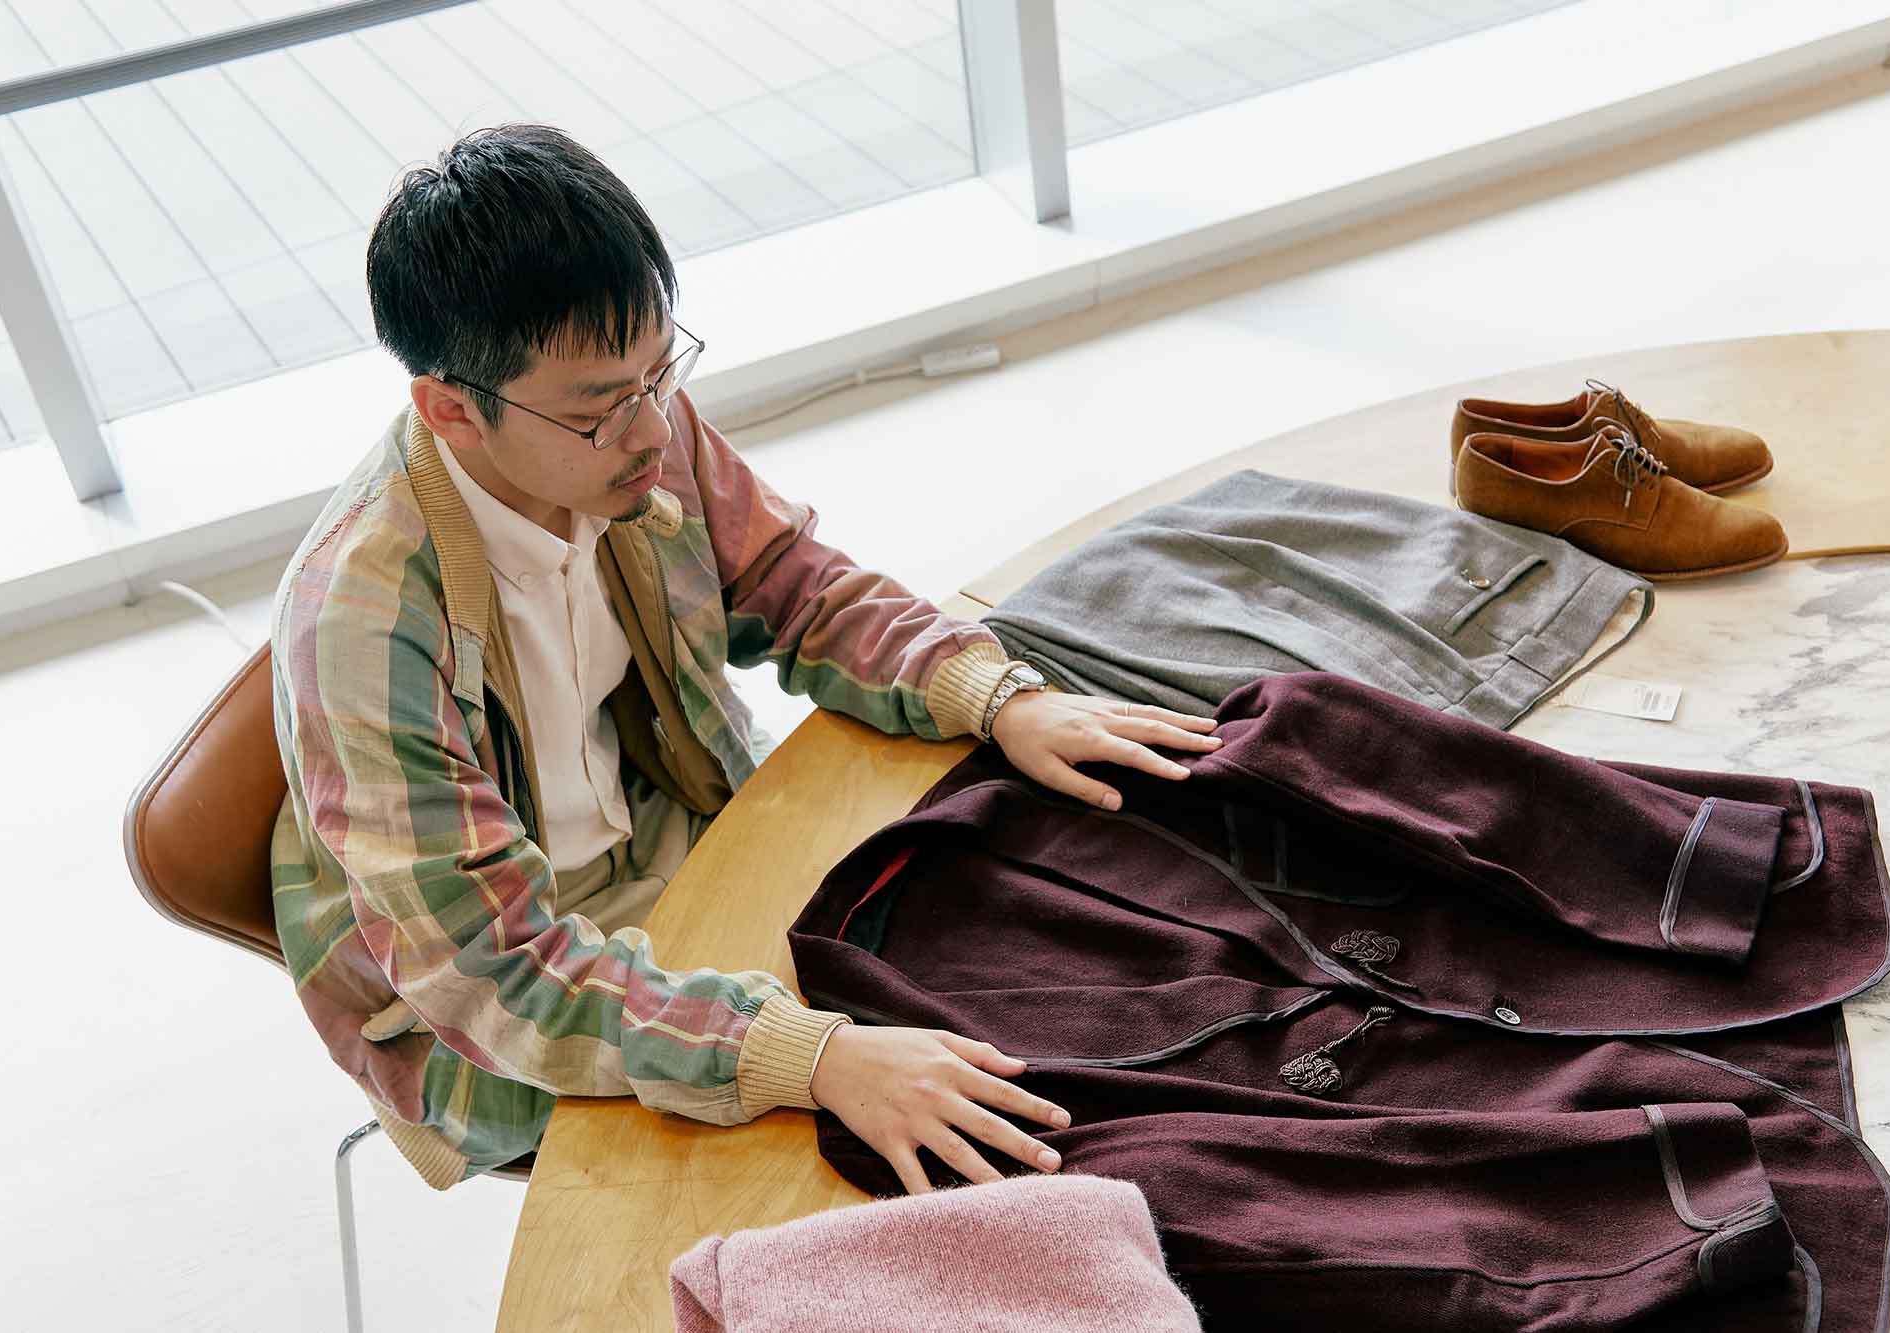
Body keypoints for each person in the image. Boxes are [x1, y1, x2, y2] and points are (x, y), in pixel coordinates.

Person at [269, 124, 1221, 1193]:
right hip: (483, 1014)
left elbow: (790, 582)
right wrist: (802, 1055)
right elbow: (490, 969)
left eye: (659, 371)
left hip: (677, 837)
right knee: (847, 1168)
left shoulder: (630, 432)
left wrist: (992, 695)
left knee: (1031, 945)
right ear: (451, 410)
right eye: (600, 407)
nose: (651, 428)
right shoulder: (363, 622)